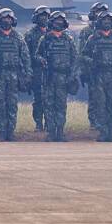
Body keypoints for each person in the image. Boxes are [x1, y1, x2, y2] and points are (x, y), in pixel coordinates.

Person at [0, 8, 31, 141]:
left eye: (9, 19)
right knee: (0, 104)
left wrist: (27, 76)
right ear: (0, 21)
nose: (7, 21)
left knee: (12, 104)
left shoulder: (18, 38)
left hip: (14, 75)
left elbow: (26, 58)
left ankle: (11, 131)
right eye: (4, 19)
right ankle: (2, 132)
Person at [81, 10, 112, 142]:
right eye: (104, 20)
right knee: (100, 105)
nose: (106, 22)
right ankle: (103, 132)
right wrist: (92, 62)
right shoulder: (93, 39)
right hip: (98, 77)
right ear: (99, 23)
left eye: (109, 20)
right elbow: (83, 55)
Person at [35, 11, 80, 142]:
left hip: (63, 78)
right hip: (49, 77)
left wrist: (72, 76)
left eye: (61, 21)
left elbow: (75, 59)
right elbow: (37, 55)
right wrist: (41, 60)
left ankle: (60, 132)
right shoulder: (45, 39)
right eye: (56, 21)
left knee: (61, 105)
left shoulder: (68, 40)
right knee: (48, 105)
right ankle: (50, 132)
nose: (58, 24)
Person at [77, 1, 110, 131]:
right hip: (92, 69)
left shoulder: (110, 31)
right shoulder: (86, 32)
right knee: (94, 96)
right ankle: (93, 121)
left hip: (107, 70)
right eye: (98, 12)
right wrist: (84, 70)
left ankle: (106, 121)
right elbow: (82, 52)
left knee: (107, 98)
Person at [23, 5, 51, 131]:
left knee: (50, 99)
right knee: (38, 99)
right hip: (37, 70)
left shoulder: (53, 33)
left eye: (46, 16)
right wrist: (27, 72)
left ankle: (49, 123)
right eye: (41, 16)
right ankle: (39, 123)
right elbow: (25, 55)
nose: (44, 18)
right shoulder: (30, 34)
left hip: (52, 71)